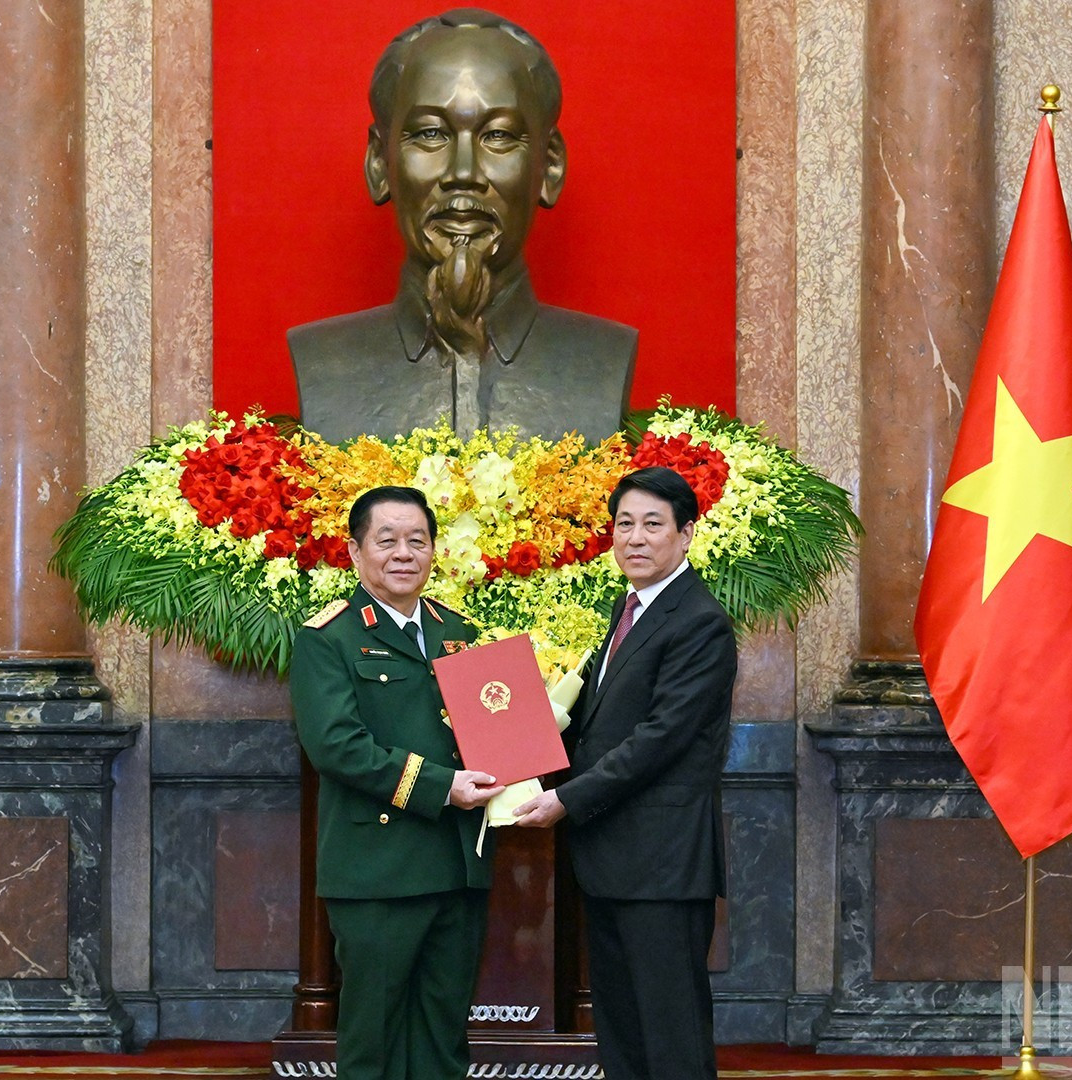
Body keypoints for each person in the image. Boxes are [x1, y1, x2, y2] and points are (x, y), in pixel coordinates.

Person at [289, 8, 636, 442]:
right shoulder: (323, 361)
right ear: (380, 163)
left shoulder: (605, 358)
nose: (464, 172)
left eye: (499, 136)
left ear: (549, 167)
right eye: (431, 134)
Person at [512, 466, 737, 1080]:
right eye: (624, 524)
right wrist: (513, 746)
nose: (634, 538)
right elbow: (591, 721)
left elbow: (659, 739)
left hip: (662, 863)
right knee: (622, 1028)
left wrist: (566, 800)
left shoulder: (699, 622)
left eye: (653, 524)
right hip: (612, 856)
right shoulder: (630, 607)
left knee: (671, 1032)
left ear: (687, 534)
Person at [289, 485, 505, 1080]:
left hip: (457, 863)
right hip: (376, 869)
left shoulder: (457, 631)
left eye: (418, 540)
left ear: (435, 550)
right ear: (356, 553)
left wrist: (522, 763)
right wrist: (444, 788)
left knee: (443, 1037)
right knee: (374, 1040)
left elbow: (492, 729)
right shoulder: (326, 638)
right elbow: (337, 747)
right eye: (387, 541)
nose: (404, 553)